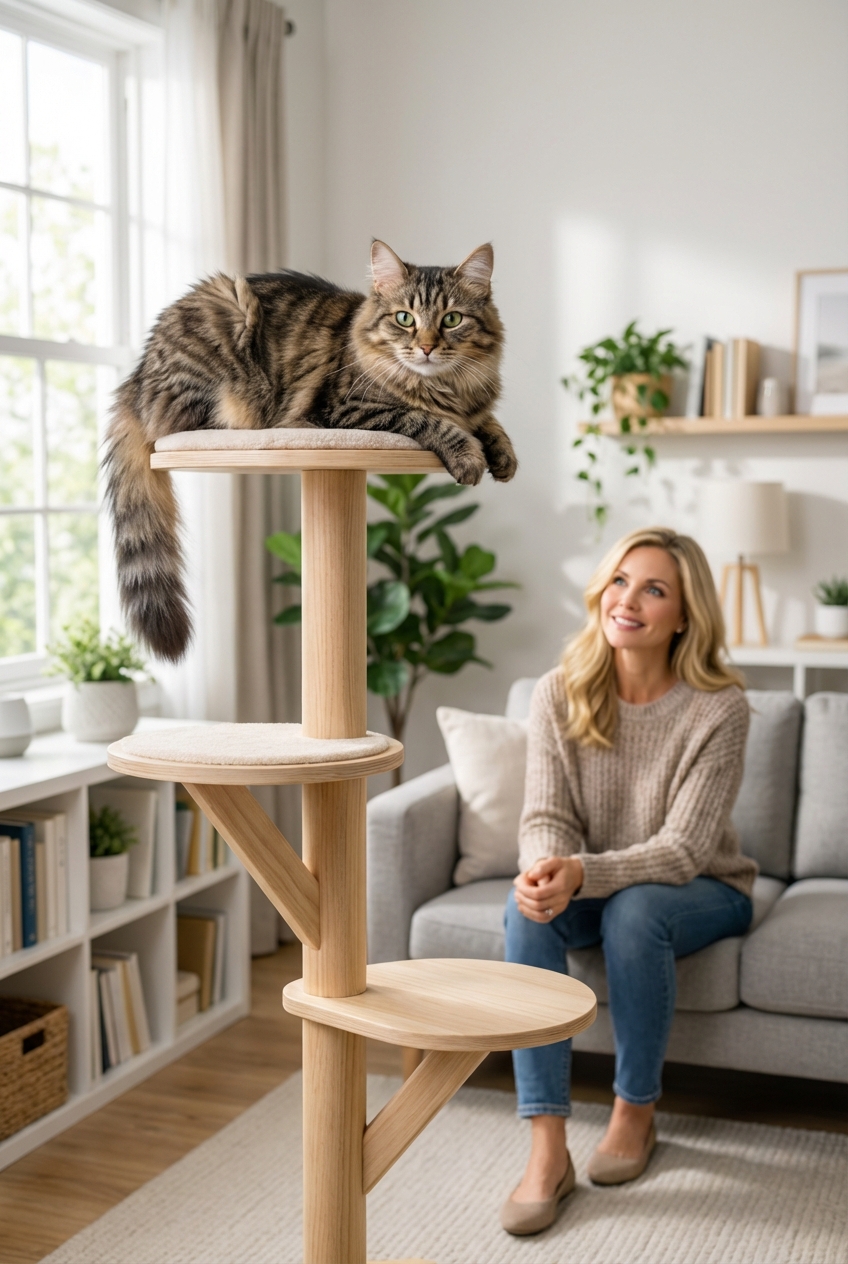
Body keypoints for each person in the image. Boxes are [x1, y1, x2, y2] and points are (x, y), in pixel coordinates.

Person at [500, 527, 757, 1237]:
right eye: (619, 580)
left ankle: (634, 1112)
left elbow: (681, 851)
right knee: (524, 913)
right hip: (601, 881)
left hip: (705, 887)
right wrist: (547, 868)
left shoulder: (719, 708)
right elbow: (546, 813)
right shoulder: (560, 691)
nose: (629, 599)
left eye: (654, 589)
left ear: (685, 615)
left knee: (635, 913)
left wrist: (585, 872)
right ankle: (547, 1148)